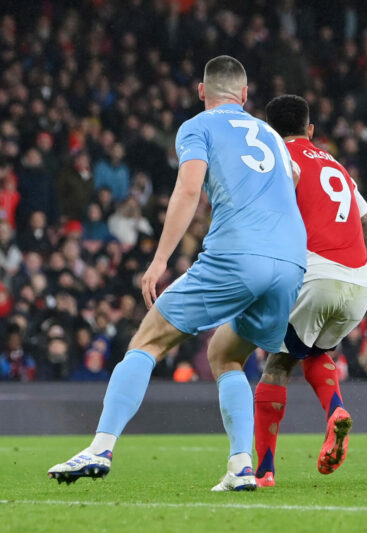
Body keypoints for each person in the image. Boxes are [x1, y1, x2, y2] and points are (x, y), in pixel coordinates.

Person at [47, 55, 307, 492]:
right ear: (244, 96)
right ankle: (243, 464)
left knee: (147, 340)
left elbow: (188, 188)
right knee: (227, 354)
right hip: (291, 261)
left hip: (239, 252)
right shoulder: (273, 136)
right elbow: (294, 177)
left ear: (202, 92)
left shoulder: (198, 126)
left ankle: (100, 447)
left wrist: (160, 259)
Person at [253, 95, 367, 487]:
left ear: (270, 131)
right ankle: (335, 410)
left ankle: (265, 469)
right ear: (311, 130)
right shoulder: (337, 167)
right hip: (359, 283)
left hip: (316, 273)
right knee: (317, 352)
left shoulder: (280, 160)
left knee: (277, 363)